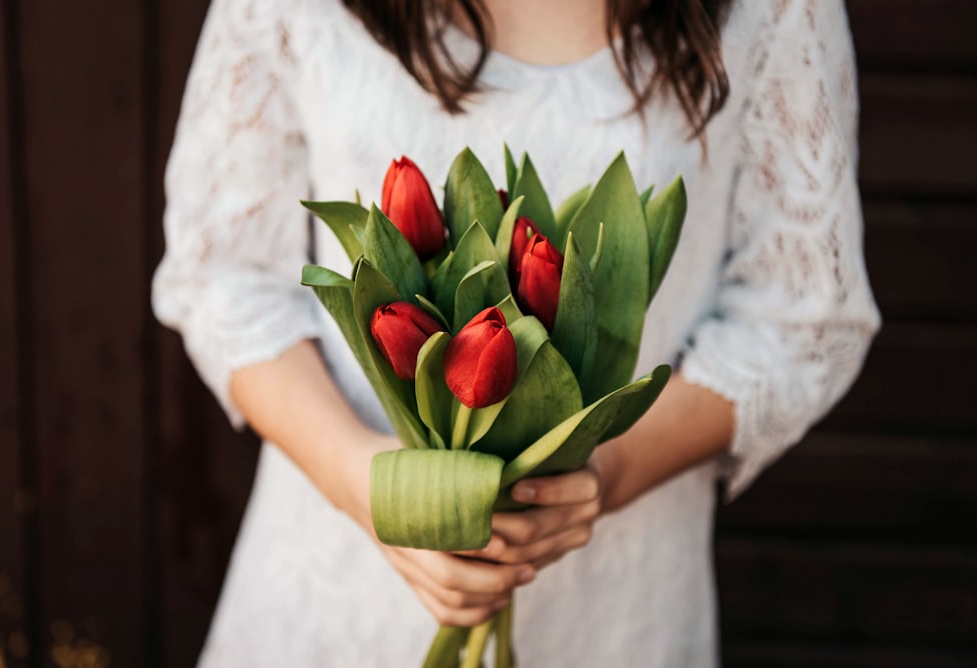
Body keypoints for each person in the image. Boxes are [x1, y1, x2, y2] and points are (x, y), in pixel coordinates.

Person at [152, 0, 880, 665]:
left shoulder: (776, 11)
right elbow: (223, 275)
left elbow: (803, 316)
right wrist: (365, 484)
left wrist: (604, 474)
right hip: (332, 592)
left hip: (618, 607)